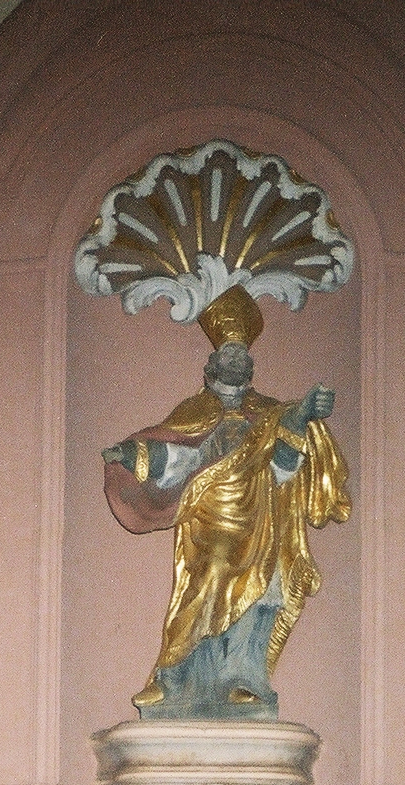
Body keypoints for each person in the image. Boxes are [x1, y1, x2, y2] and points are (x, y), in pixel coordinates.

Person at [102, 284, 350, 719]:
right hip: (210, 517)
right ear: (210, 366)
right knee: (206, 583)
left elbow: (285, 469)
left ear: (251, 368)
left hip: (261, 519)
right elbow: (177, 452)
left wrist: (301, 415)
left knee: (259, 594)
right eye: (228, 356)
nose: (236, 361)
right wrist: (135, 455)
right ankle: (172, 676)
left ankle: (242, 679)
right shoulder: (193, 410)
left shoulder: (274, 413)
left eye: (243, 357)